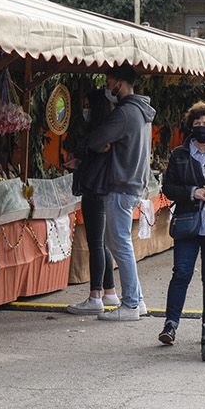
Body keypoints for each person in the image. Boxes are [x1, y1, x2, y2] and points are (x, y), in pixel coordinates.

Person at [157, 102, 205, 344]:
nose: (202, 128)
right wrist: (192, 192)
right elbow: (168, 187)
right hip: (188, 223)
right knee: (181, 273)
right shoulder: (180, 154)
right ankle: (170, 324)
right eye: (197, 124)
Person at [89, 66, 155, 322]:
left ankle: (129, 304)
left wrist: (102, 143)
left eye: (109, 82)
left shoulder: (125, 113)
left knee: (121, 246)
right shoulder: (140, 112)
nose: (108, 87)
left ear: (120, 83)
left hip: (120, 185)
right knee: (121, 244)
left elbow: (97, 140)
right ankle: (137, 301)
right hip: (132, 184)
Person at [68, 88, 121, 317]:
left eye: (87, 104)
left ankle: (95, 295)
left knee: (96, 243)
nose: (84, 109)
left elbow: (90, 152)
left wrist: (79, 159)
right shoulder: (109, 131)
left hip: (95, 190)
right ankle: (109, 291)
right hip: (103, 189)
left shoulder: (100, 134)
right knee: (102, 243)